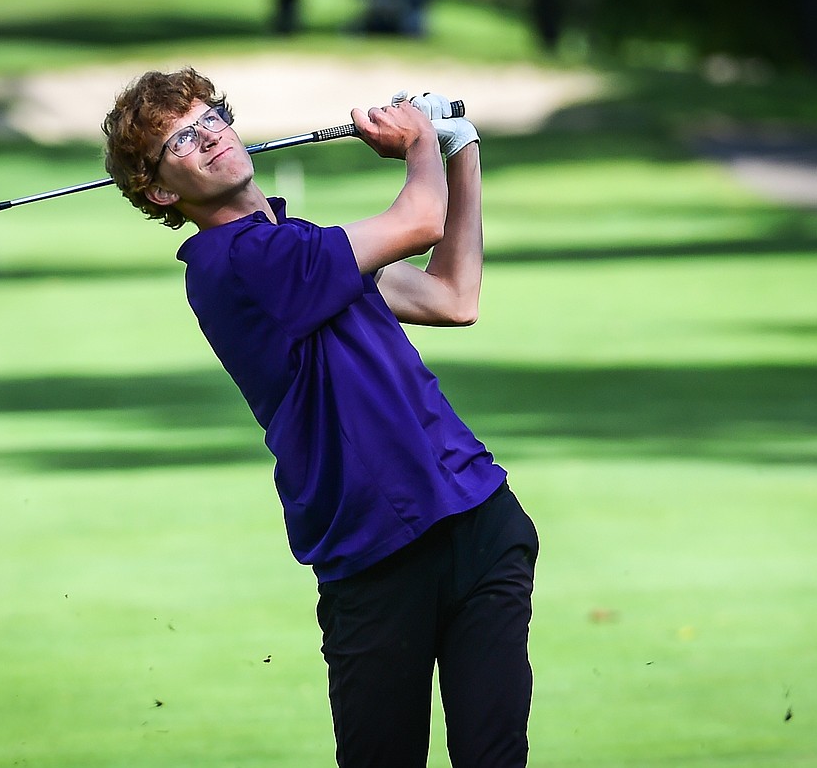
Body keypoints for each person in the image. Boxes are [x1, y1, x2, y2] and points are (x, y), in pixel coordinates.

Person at [102, 67, 538, 767]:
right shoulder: (231, 265)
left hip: (477, 516)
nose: (209, 136)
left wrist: (462, 149)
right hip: (374, 555)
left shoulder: (302, 241)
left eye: (210, 117)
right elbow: (419, 221)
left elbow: (454, 296)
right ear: (159, 190)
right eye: (180, 141)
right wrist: (419, 143)